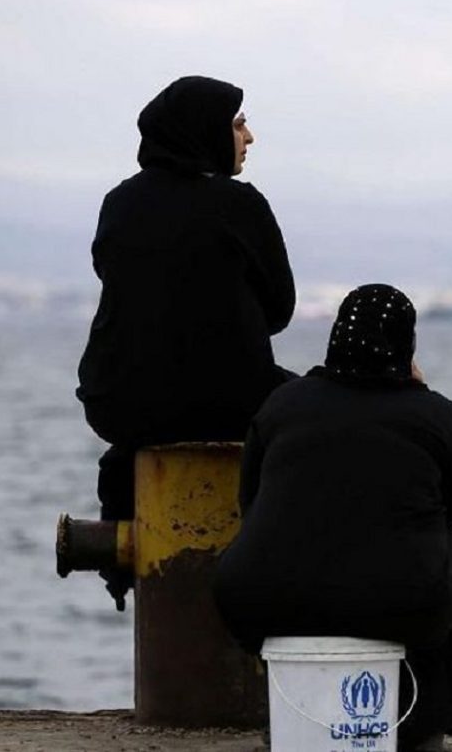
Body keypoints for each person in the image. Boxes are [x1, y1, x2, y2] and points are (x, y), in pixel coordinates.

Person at [213, 284, 452, 752]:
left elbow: (249, 503)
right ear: (406, 344)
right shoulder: (437, 415)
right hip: (397, 606)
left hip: (260, 600)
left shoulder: (282, 404)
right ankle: (427, 724)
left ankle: (286, 717)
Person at [77, 75, 296, 608]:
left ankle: (125, 548)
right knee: (304, 408)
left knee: (145, 427)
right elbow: (280, 310)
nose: (249, 137)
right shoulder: (239, 204)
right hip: (230, 404)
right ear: (206, 131)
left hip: (121, 404)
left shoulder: (119, 203)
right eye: (238, 125)